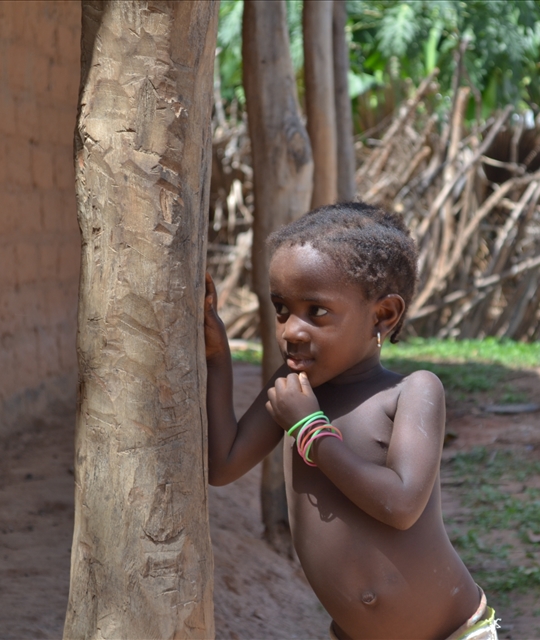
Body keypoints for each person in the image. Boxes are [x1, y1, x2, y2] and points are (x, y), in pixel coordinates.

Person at [204, 202, 499, 640]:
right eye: (282, 308)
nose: (291, 331)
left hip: (453, 634)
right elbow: (224, 465)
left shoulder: (412, 391)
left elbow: (400, 506)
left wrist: (311, 431)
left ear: (383, 316)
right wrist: (217, 357)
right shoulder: (294, 390)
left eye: (316, 312)